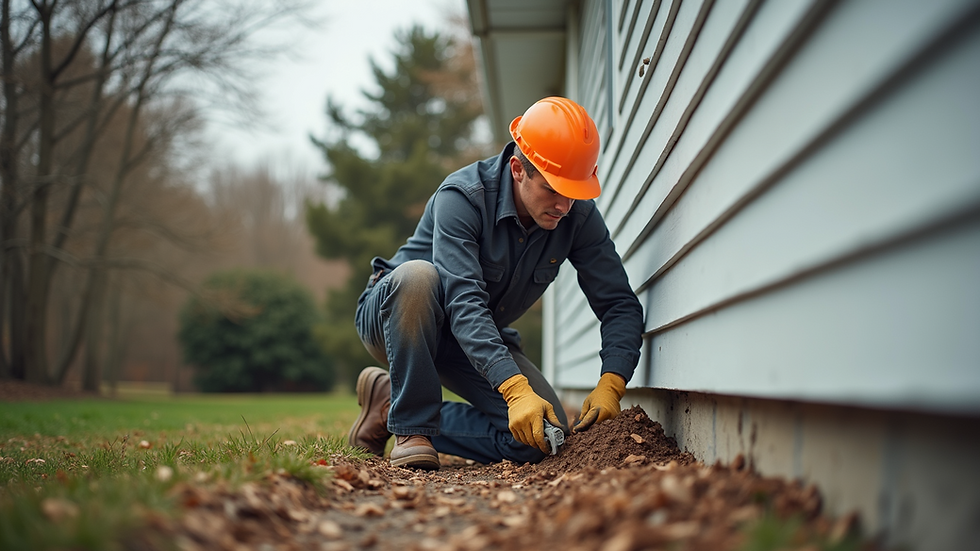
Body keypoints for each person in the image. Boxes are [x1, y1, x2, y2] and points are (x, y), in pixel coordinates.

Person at [347, 96, 644, 469]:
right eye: (552, 189)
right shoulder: (463, 198)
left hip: (469, 337)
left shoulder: (577, 216)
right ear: (519, 169)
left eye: (573, 192)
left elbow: (618, 303)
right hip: (399, 316)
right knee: (419, 276)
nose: (563, 206)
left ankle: (391, 402)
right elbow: (463, 300)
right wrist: (514, 388)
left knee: (542, 435)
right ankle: (412, 429)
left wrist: (612, 381)